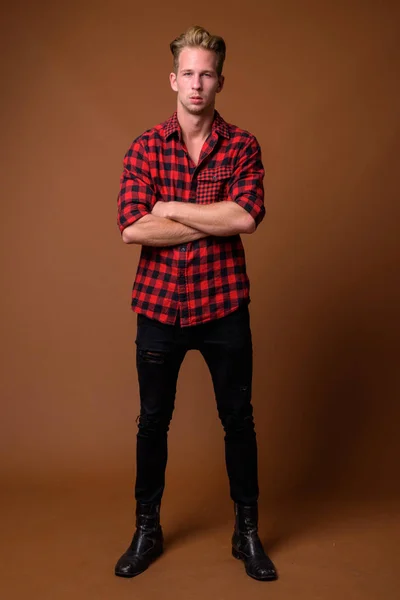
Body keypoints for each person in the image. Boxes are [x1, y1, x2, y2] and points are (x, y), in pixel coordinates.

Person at [115, 25, 277, 582]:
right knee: (152, 422)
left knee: (239, 420)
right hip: (158, 308)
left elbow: (246, 217)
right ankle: (146, 529)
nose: (197, 83)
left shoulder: (243, 145)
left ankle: (247, 533)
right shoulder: (144, 146)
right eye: (188, 72)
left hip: (224, 307)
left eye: (207, 73)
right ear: (173, 79)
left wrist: (171, 206)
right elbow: (133, 230)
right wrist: (212, 219)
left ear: (220, 80)